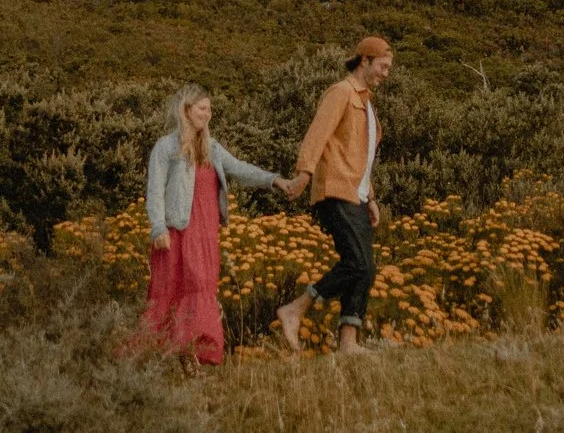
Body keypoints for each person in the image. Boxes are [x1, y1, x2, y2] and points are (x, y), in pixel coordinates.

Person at [139, 83, 306, 366]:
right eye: (202, 108)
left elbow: (239, 168)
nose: (208, 114)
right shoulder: (166, 147)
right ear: (187, 110)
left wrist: (274, 180)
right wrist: (158, 227)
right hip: (177, 232)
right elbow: (154, 190)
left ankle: (196, 353)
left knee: (202, 287)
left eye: (210, 109)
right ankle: (162, 356)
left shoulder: (212, 148)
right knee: (170, 291)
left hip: (205, 234)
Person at [276, 35, 392, 354]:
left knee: (365, 268)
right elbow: (317, 135)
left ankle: (348, 342)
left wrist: (371, 197)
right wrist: (304, 173)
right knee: (358, 264)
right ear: (365, 61)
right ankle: (295, 309)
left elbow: (363, 156)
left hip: (357, 194)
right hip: (335, 189)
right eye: (382, 67)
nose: (386, 74)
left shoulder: (367, 103)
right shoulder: (341, 92)